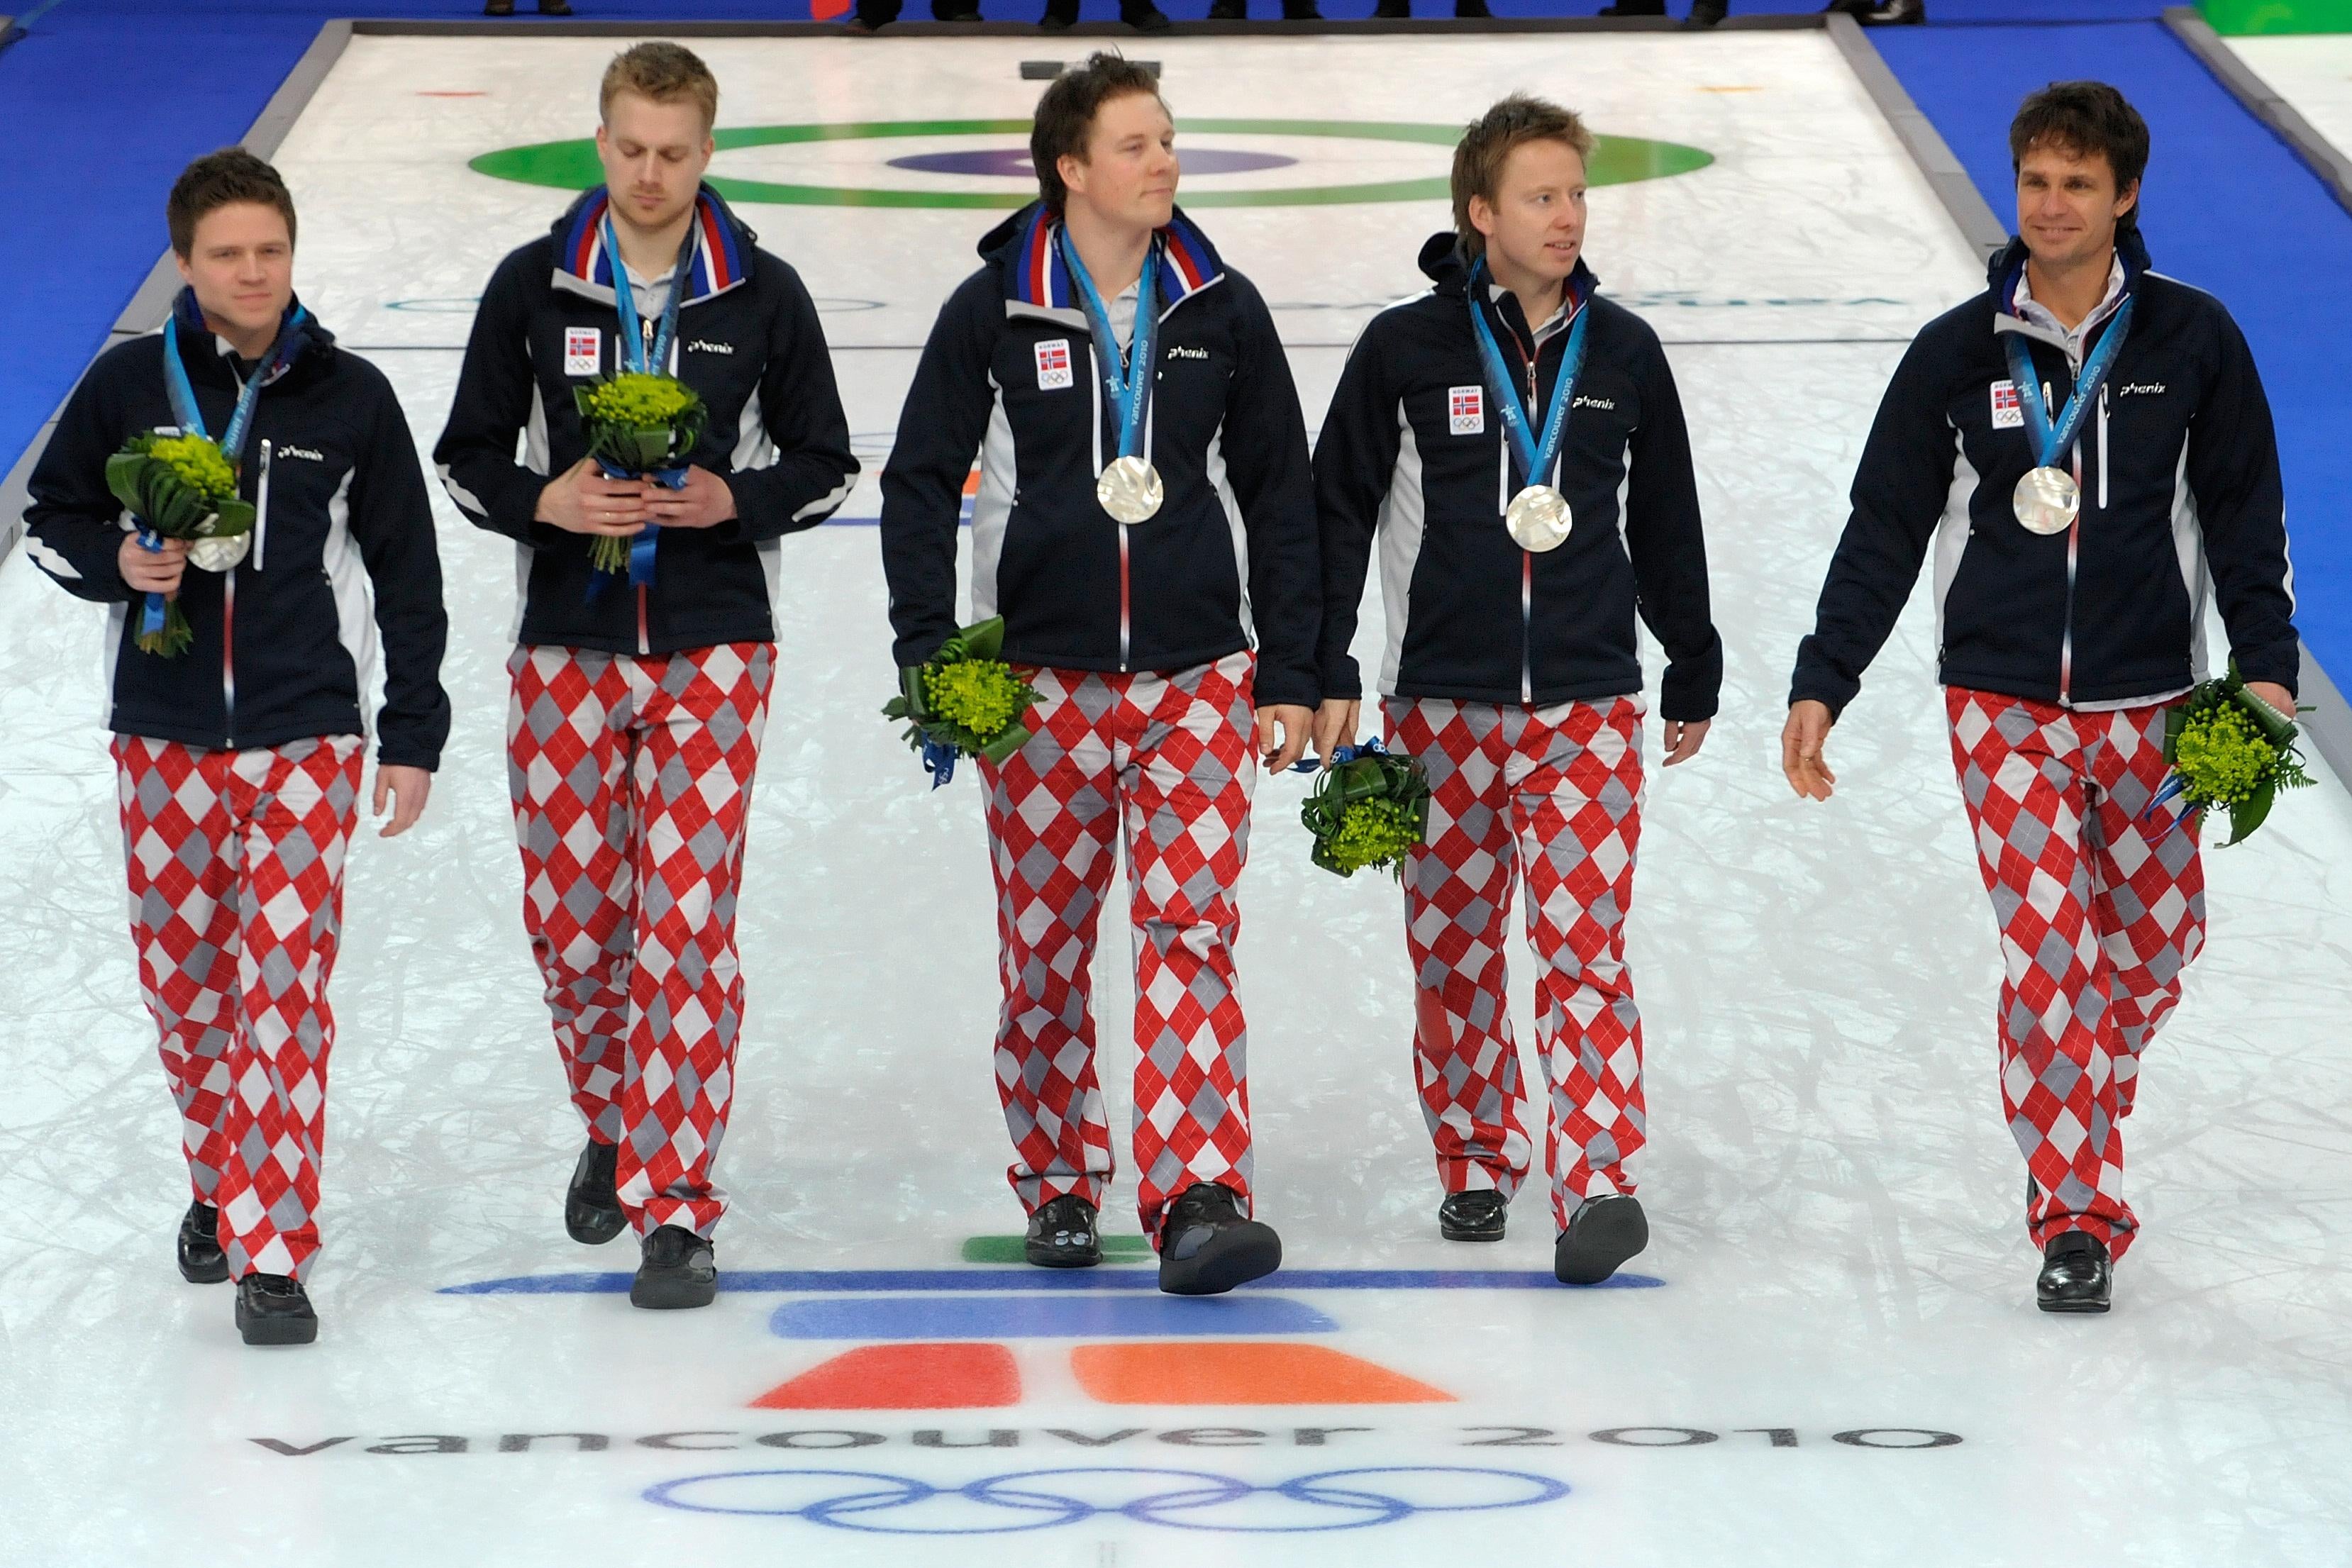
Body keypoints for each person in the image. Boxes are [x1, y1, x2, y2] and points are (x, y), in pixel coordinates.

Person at [1783, 82, 2298, 1313]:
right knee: (2051, 953)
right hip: (2001, 700)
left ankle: (2068, 1090)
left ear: (2125, 196)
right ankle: (2076, 1210)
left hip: (2154, 703)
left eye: (2077, 183)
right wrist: (1825, 677)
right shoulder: (1959, 351)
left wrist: (2266, 664)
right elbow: (1887, 526)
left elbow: (2244, 519)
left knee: (2159, 942)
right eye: (2034, 182)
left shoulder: (2193, 340)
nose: (2050, 205)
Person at [879, 51, 1319, 1297]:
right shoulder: (995, 309)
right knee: (1049, 947)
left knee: (1192, 932)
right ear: (1071, 169)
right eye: (1137, 146)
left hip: (1194, 676)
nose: (1165, 162)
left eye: (1170, 141)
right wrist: (932, 656)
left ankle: (1199, 1194)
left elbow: (1282, 494)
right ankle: (1062, 1180)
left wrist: (1290, 665)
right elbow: (919, 482)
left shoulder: (1220, 305)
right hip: (1039, 681)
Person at [434, 42, 858, 1310]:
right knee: (577, 928)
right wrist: (547, 501)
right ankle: (616, 1116)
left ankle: (676, 1209)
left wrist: (737, 501)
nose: (652, 173)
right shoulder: (534, 287)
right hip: (566, 644)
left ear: (709, 151)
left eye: (675, 152)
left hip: (719, 643)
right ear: (599, 142)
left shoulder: (764, 295)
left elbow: (830, 459)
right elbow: (463, 456)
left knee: (683, 928)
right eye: (630, 149)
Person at [21, 149, 450, 1346]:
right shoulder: (125, 385)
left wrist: (410, 733)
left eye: (270, 250)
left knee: (283, 996)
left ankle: (274, 1246)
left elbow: (410, 580)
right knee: (188, 991)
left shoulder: (351, 396)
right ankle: (219, 1174)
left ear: (293, 253)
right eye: (227, 255)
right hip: (159, 740)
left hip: (304, 733)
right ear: (186, 264)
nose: (252, 273)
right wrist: (120, 560)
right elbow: (49, 518)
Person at [1312, 94, 1719, 1286]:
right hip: (1438, 701)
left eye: (1577, 195)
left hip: (1589, 700)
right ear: (1478, 211)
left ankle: (1598, 1175)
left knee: (1583, 945)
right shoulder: (1403, 348)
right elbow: (1336, 512)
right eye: (1540, 197)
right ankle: (1477, 1156)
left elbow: (1667, 514)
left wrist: (1690, 653)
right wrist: (1324, 665)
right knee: (1455, 953)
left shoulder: (1625, 350)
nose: (1566, 217)